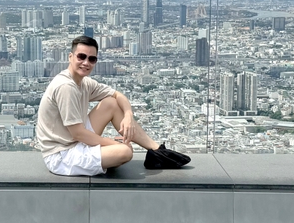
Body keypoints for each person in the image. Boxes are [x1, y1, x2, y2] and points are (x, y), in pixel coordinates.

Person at [36, 35, 190, 175]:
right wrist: (113, 144)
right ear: (70, 57)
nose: (86, 62)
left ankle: (157, 151)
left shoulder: (84, 83)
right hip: (61, 154)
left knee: (111, 103)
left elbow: (117, 95)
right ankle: (117, 153)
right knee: (125, 152)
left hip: (73, 141)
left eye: (92, 59)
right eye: (81, 57)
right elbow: (78, 134)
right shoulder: (66, 87)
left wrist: (128, 116)